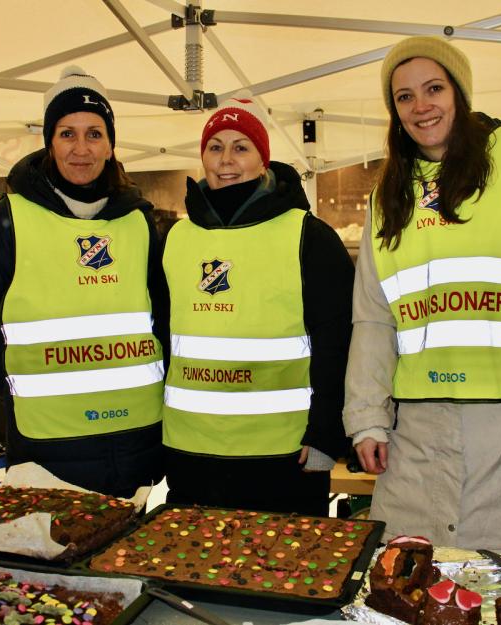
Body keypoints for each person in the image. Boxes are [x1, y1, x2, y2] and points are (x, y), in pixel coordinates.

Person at [343, 36, 501, 552]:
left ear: (460, 93)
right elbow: (374, 319)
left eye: (434, 88)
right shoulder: (387, 195)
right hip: (417, 432)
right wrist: (366, 417)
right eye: (404, 97)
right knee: (417, 588)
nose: (421, 106)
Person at [0, 66, 168, 497]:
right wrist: (14, 384)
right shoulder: (10, 220)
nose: (81, 149)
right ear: (50, 142)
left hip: (134, 438)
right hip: (48, 443)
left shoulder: (138, 219)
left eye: (94, 134)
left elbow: (166, 316)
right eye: (68, 133)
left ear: (110, 144)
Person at [161, 96, 352, 516]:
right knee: (191, 573)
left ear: (263, 161)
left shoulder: (308, 236)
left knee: (287, 573)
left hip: (284, 460)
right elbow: (159, 339)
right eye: (216, 146)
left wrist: (325, 436)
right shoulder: (176, 238)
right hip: (193, 456)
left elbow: (337, 342)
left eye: (241, 147)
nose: (226, 159)